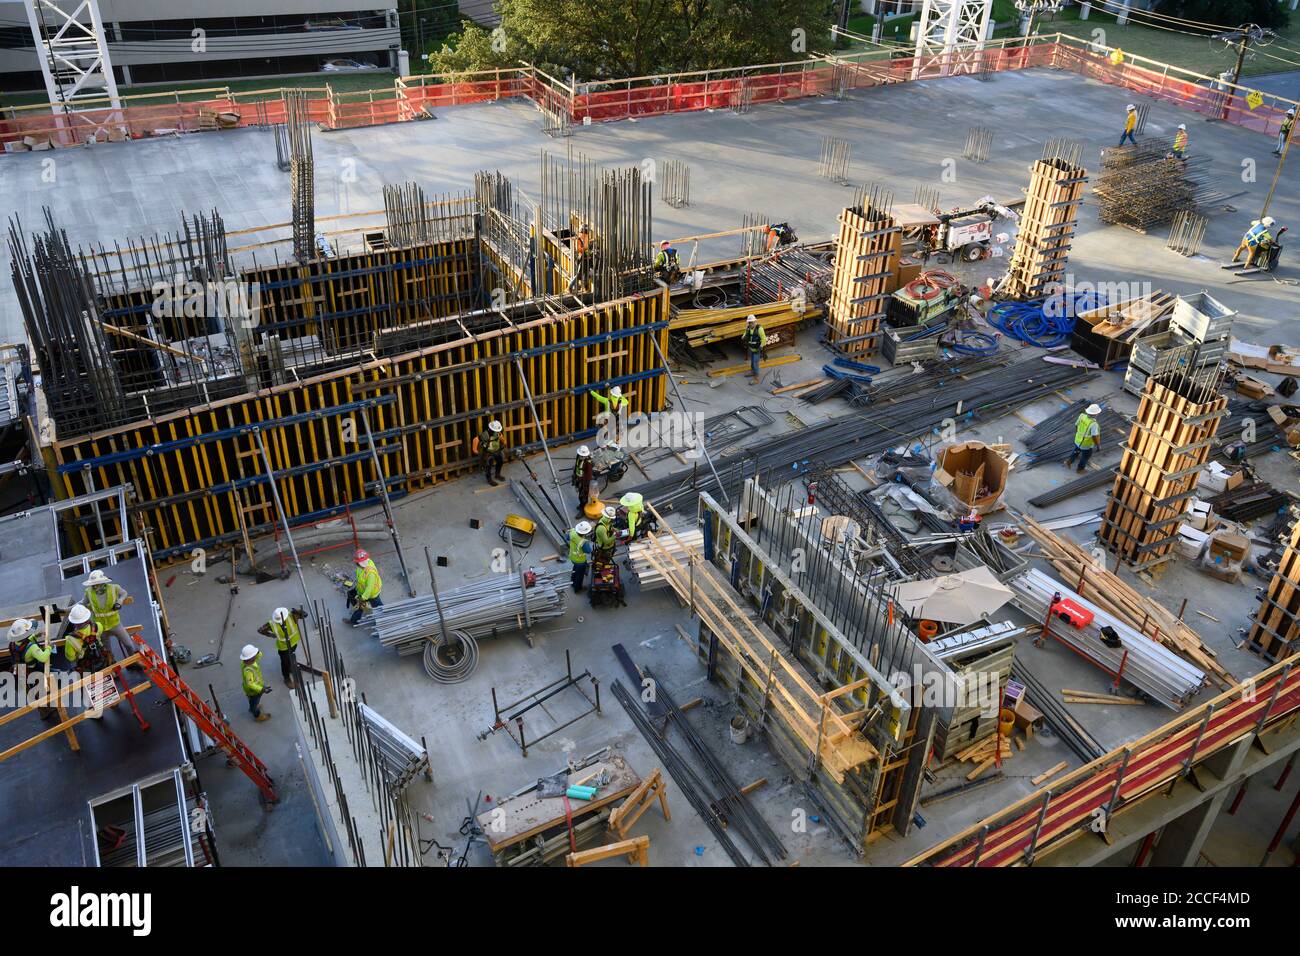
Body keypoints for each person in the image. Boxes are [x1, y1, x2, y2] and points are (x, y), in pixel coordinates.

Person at [9, 619, 54, 720]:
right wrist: (49, 648)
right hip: (31, 672)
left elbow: (23, 643)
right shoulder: (32, 647)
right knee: (40, 690)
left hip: (19, 671)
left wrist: (35, 636)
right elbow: (43, 657)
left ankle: (43, 711)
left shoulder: (13, 643)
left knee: (31, 693)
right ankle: (47, 709)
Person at [83, 569, 131, 662]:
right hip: (101, 628)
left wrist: (119, 602)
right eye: (93, 584)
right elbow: (81, 603)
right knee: (107, 651)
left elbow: (124, 593)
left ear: (102, 583)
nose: (94, 586)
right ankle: (112, 667)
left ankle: (134, 662)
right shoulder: (89, 592)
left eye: (96, 584)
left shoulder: (114, 588)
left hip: (115, 624)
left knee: (128, 644)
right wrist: (64, 610)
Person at [258, 606, 306, 688]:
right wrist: (271, 635)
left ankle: (290, 667)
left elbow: (305, 615)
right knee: (285, 663)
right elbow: (260, 630)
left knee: (291, 657)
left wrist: (298, 611)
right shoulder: (272, 624)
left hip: (293, 643)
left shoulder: (292, 616)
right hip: (283, 648)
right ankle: (286, 678)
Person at [348, 550, 383, 626]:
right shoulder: (361, 567)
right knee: (359, 607)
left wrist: (363, 597)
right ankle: (354, 621)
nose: (364, 563)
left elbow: (369, 588)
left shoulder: (370, 573)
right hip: (363, 592)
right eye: (361, 562)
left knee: (378, 608)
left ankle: (383, 621)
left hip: (372, 594)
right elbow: (360, 578)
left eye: (365, 560)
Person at [1066, 403, 1103, 473]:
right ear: (1096, 414)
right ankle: (1080, 469)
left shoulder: (1082, 416)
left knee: (1076, 451)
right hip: (1086, 444)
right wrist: (1098, 445)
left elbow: (1076, 425)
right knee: (1085, 457)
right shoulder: (1093, 424)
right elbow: (1095, 436)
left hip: (1078, 440)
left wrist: (1078, 434)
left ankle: (1069, 461)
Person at [240, 644, 271, 722]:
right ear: (250, 658)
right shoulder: (248, 671)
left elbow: (259, 655)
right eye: (254, 656)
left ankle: (254, 706)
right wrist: (261, 689)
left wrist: (256, 652)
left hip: (257, 686)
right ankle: (257, 715)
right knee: (254, 702)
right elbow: (250, 684)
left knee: (255, 701)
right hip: (253, 691)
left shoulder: (246, 662)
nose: (256, 657)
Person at [472, 419, 506, 486]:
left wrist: (504, 442)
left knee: (500, 461)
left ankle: (497, 474)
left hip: (497, 450)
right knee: (488, 465)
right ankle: (489, 479)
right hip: (488, 452)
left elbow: (501, 437)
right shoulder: (486, 434)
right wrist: (474, 449)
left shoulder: (497, 433)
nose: (498, 432)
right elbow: (475, 439)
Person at [568, 521, 594, 593]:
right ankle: (577, 589)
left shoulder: (572, 531)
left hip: (572, 557)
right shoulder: (584, 542)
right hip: (580, 561)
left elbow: (567, 537)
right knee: (580, 575)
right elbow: (588, 551)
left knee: (575, 569)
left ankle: (572, 582)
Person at [742, 314, 767, 379]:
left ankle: (756, 375)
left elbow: (764, 339)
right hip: (751, 348)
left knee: (755, 362)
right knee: (752, 361)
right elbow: (744, 336)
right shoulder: (748, 328)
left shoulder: (759, 329)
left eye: (752, 322)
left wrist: (760, 347)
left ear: (755, 322)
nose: (751, 324)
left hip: (757, 349)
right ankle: (752, 371)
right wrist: (744, 337)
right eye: (750, 323)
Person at [572, 445, 594, 517]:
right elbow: (576, 466)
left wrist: (581, 482)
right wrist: (574, 477)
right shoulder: (578, 456)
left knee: (583, 496)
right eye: (581, 455)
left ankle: (583, 510)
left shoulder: (588, 463)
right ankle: (581, 505)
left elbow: (588, 476)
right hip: (578, 478)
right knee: (579, 495)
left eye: (583, 456)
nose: (581, 457)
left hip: (584, 482)